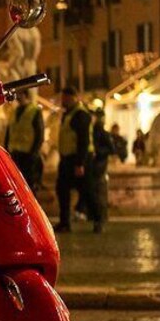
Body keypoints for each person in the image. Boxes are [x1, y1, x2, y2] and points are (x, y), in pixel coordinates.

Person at [55, 86, 97, 233]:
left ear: (73, 98)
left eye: (65, 98)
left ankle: (98, 219)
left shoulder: (80, 114)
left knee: (87, 190)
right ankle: (64, 222)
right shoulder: (68, 114)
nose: (62, 101)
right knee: (62, 190)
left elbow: (83, 140)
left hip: (80, 159)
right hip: (67, 158)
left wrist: (80, 163)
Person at [4, 90, 44, 191]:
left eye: (19, 94)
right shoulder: (15, 111)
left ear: (25, 95)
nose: (17, 97)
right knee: (16, 183)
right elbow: (9, 132)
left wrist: (34, 152)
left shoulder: (35, 111)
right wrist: (6, 150)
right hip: (15, 153)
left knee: (29, 184)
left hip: (28, 154)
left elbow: (39, 134)